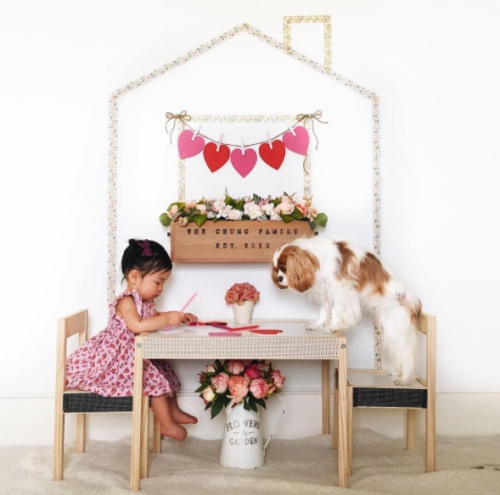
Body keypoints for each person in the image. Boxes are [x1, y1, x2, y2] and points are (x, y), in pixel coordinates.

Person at [66, 238, 198, 441]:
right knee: (153, 381)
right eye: (158, 282)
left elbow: (153, 318)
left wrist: (177, 317)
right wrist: (166, 319)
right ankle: (166, 425)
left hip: (135, 353)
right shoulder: (126, 301)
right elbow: (137, 325)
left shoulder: (146, 302)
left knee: (165, 369)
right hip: (118, 360)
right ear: (135, 277)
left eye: (163, 283)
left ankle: (173, 410)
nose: (161, 289)